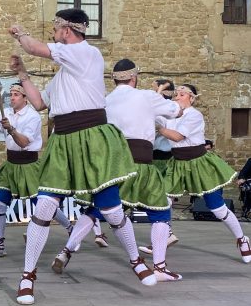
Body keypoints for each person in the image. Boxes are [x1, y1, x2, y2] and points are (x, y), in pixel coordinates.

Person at [9, 8, 153, 306]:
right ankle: (27, 276)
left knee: (111, 209)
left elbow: (36, 47)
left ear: (66, 31)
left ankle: (136, 260)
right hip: (62, 141)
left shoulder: (87, 54)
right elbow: (37, 103)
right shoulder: (64, 74)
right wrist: (22, 74)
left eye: (55, 29)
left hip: (91, 138)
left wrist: (19, 32)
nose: (52, 33)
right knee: (45, 204)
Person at [57, 59, 183, 281]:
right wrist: (164, 97)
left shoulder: (105, 100)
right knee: (161, 213)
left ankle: (66, 250)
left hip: (113, 164)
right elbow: (176, 111)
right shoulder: (146, 96)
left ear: (114, 79)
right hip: (141, 162)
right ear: (134, 78)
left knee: (96, 210)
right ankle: (160, 268)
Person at [157, 83, 251, 264]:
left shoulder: (195, 115)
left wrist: (158, 127)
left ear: (192, 98)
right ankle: (165, 236)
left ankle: (242, 239)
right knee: (163, 201)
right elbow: (157, 116)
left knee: (216, 207)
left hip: (199, 163)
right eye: (176, 94)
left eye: (182, 94)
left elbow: (177, 136)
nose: (177, 97)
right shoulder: (170, 115)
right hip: (177, 163)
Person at [0, 82, 75, 258]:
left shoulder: (33, 116)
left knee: (43, 206)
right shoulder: (6, 113)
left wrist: (11, 129)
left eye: (16, 94)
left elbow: (24, 143)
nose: (12, 97)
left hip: (29, 166)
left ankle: (71, 229)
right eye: (11, 94)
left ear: (25, 98)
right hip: (10, 165)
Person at [137, 79, 179, 254]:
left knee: (157, 198)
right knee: (159, 198)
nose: (151, 90)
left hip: (162, 158)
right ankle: (165, 234)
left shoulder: (165, 109)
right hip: (159, 157)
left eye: (155, 87)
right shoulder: (166, 108)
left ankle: (166, 234)